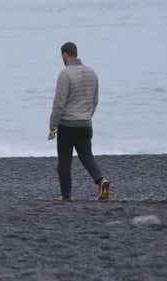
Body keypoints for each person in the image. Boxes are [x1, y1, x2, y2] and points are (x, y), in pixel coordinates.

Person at [48, 42, 110, 202]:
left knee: (64, 161)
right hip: (85, 123)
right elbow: (95, 100)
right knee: (86, 156)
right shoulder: (92, 73)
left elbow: (59, 102)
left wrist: (52, 127)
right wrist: (88, 116)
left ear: (65, 55)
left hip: (67, 125)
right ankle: (101, 180)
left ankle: (66, 195)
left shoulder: (65, 74)